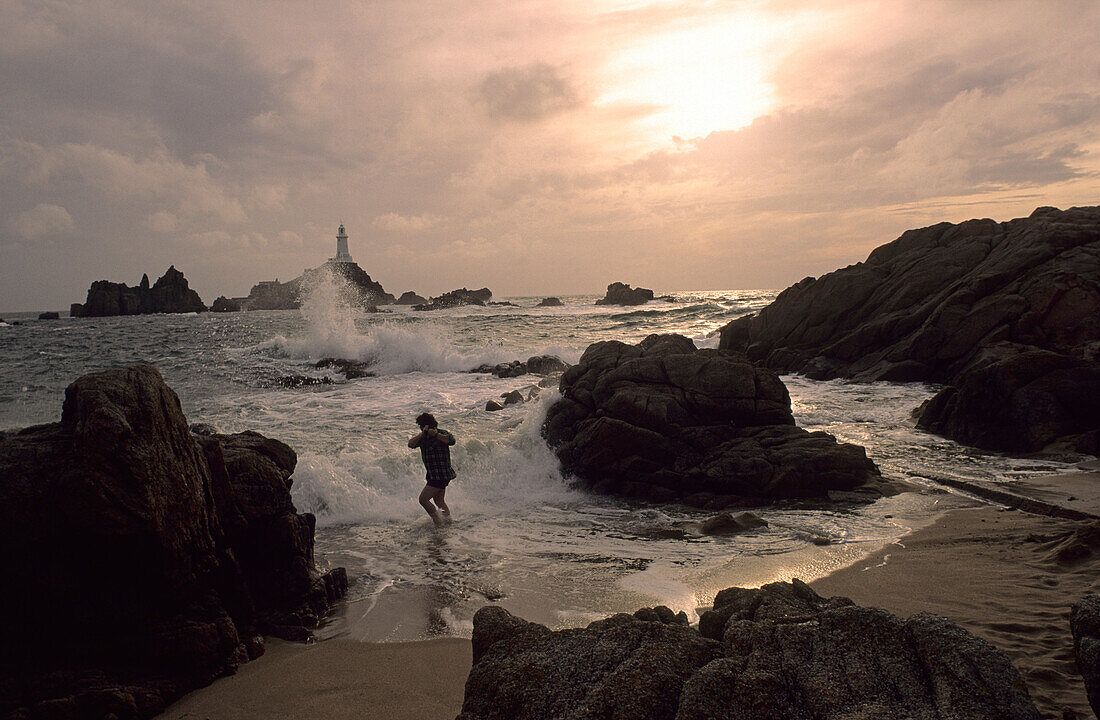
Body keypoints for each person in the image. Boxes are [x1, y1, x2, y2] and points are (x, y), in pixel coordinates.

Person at [408, 412, 456, 527]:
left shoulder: (442, 433)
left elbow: (451, 441)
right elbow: (411, 444)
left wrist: (435, 435)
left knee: (423, 499)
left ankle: (438, 523)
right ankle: (448, 522)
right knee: (439, 501)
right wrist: (423, 433)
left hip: (441, 474)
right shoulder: (422, 438)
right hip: (433, 475)